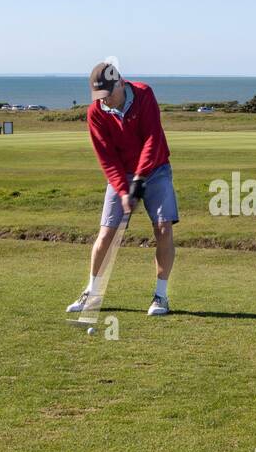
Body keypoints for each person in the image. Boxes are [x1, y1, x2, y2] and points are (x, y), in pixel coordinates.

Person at [66, 62, 178, 316]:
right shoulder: (96, 112)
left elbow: (152, 138)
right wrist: (123, 188)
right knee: (106, 233)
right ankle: (91, 292)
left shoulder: (144, 94)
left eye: (109, 95)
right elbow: (106, 156)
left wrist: (138, 180)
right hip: (121, 174)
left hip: (156, 169)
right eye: (100, 97)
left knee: (163, 227)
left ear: (120, 82)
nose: (106, 102)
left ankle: (161, 297)